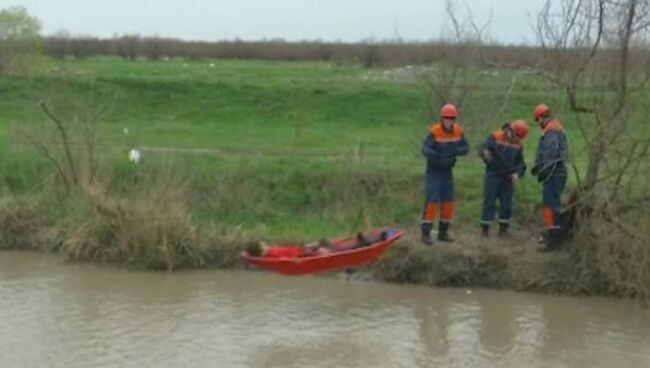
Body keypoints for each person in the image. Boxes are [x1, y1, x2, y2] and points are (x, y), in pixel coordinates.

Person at [420, 103, 470, 245]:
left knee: (448, 202)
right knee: (432, 201)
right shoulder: (434, 132)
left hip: (447, 171)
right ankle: (425, 233)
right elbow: (425, 149)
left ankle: (443, 232)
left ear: (454, 120)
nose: (449, 121)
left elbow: (466, 147)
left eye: (452, 118)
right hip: (434, 171)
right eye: (447, 118)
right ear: (442, 119)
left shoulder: (458, 131)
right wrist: (438, 156)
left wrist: (455, 151)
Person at [478, 119, 528, 237]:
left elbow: (521, 163)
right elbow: (481, 147)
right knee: (489, 201)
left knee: (507, 203)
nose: (517, 140)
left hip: (507, 177)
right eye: (516, 137)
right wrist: (485, 154)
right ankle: (485, 230)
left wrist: (517, 174)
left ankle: (503, 230)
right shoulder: (496, 136)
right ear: (511, 131)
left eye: (519, 138)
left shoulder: (519, 145)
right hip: (493, 174)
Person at [531, 104, 569, 251]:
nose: (538, 123)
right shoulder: (554, 128)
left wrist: (541, 171)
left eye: (537, 120)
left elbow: (551, 156)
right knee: (549, 205)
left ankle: (554, 240)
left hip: (554, 174)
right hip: (554, 173)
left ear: (541, 117)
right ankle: (551, 233)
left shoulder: (552, 130)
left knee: (552, 206)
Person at [244, 231, 388, 258]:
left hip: (307, 250)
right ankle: (368, 241)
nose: (266, 244)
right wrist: (312, 251)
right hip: (309, 254)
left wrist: (309, 245)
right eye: (263, 245)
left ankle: (366, 239)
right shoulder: (272, 254)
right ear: (261, 251)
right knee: (340, 250)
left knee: (329, 243)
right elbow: (292, 257)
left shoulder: (272, 250)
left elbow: (292, 249)